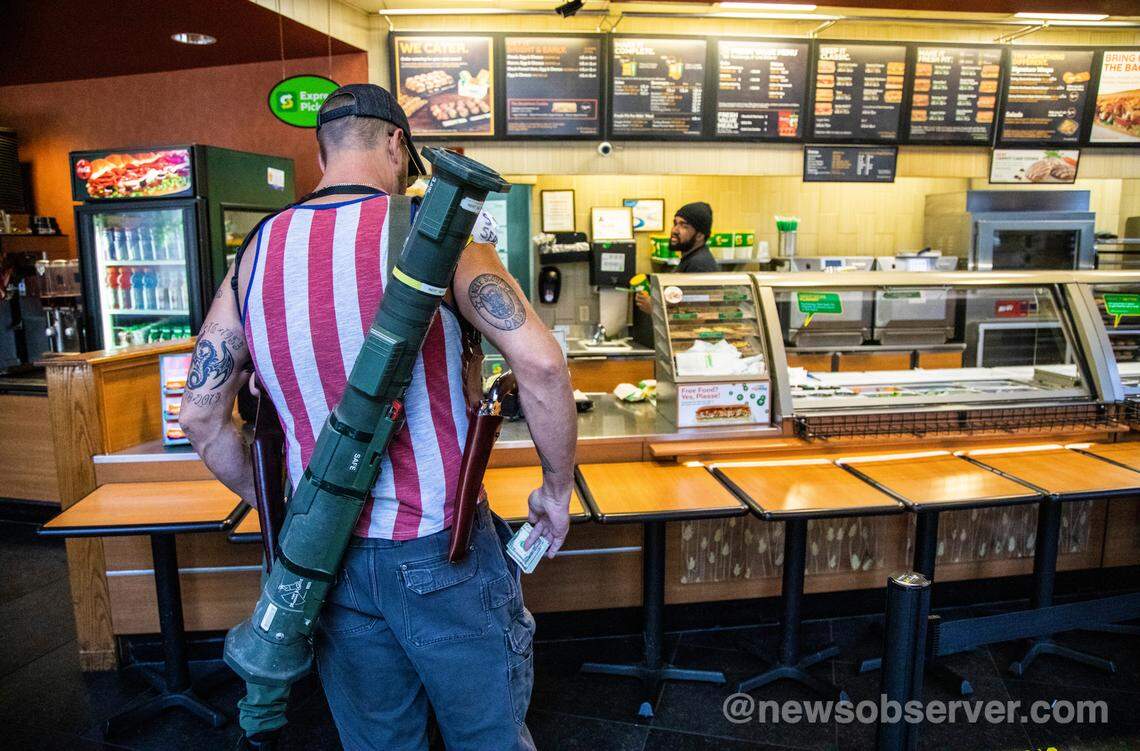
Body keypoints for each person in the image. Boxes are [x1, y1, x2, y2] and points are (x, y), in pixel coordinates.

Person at [179, 84, 577, 751]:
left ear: (320, 152)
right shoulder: (432, 233)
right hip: (439, 551)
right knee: (490, 740)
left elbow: (199, 413)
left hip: (326, 562)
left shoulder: (254, 254)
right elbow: (541, 365)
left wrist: (288, 509)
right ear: (397, 143)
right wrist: (556, 490)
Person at [634, 201, 717, 316]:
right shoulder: (690, 258)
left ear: (700, 235)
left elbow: (698, 315)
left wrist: (655, 310)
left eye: (684, 226)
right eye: (675, 223)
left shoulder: (700, 265)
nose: (674, 230)